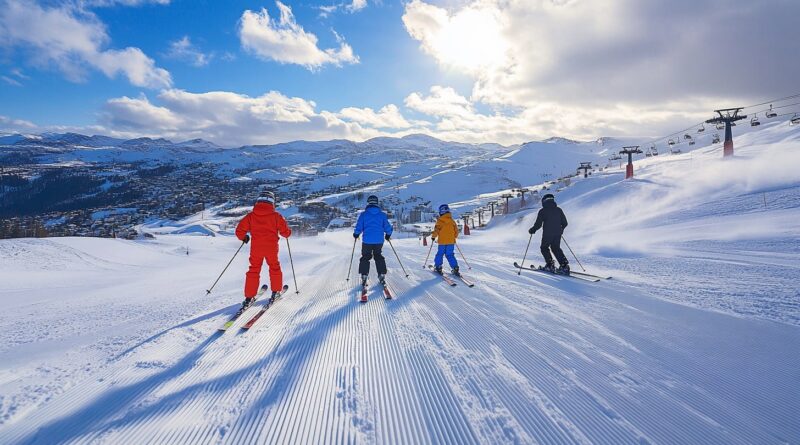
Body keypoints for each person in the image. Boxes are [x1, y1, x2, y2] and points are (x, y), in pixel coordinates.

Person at [235, 189, 292, 310]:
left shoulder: (251, 216)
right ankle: (276, 291)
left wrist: (244, 237)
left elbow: (239, 230)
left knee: (253, 270)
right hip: (271, 248)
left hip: (256, 249)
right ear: (272, 202)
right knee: (274, 268)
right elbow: (285, 232)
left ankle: (249, 298)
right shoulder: (276, 216)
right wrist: (288, 233)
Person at [353, 195, 393, 286]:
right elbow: (387, 227)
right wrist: (388, 234)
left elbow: (359, 226)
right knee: (378, 256)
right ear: (377, 203)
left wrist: (356, 234)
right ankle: (381, 274)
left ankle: (364, 275)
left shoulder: (363, 215)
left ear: (368, 203)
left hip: (367, 241)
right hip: (379, 241)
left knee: (365, 257)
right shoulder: (382, 215)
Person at [528, 193, 569, 274]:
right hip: (558, 234)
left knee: (544, 248)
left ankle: (550, 265)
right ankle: (564, 266)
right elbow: (565, 223)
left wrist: (533, 230)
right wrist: (560, 230)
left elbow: (538, 224)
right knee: (556, 248)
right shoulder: (559, 210)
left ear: (544, 201)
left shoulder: (543, 211)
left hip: (547, 234)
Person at [432, 204, 460, 276]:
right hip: (451, 242)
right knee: (450, 254)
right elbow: (456, 231)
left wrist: (433, 236)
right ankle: (455, 267)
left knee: (440, 254)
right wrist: (454, 237)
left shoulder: (440, 221)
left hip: (442, 242)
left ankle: (438, 266)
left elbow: (436, 230)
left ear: (441, 212)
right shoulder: (452, 221)